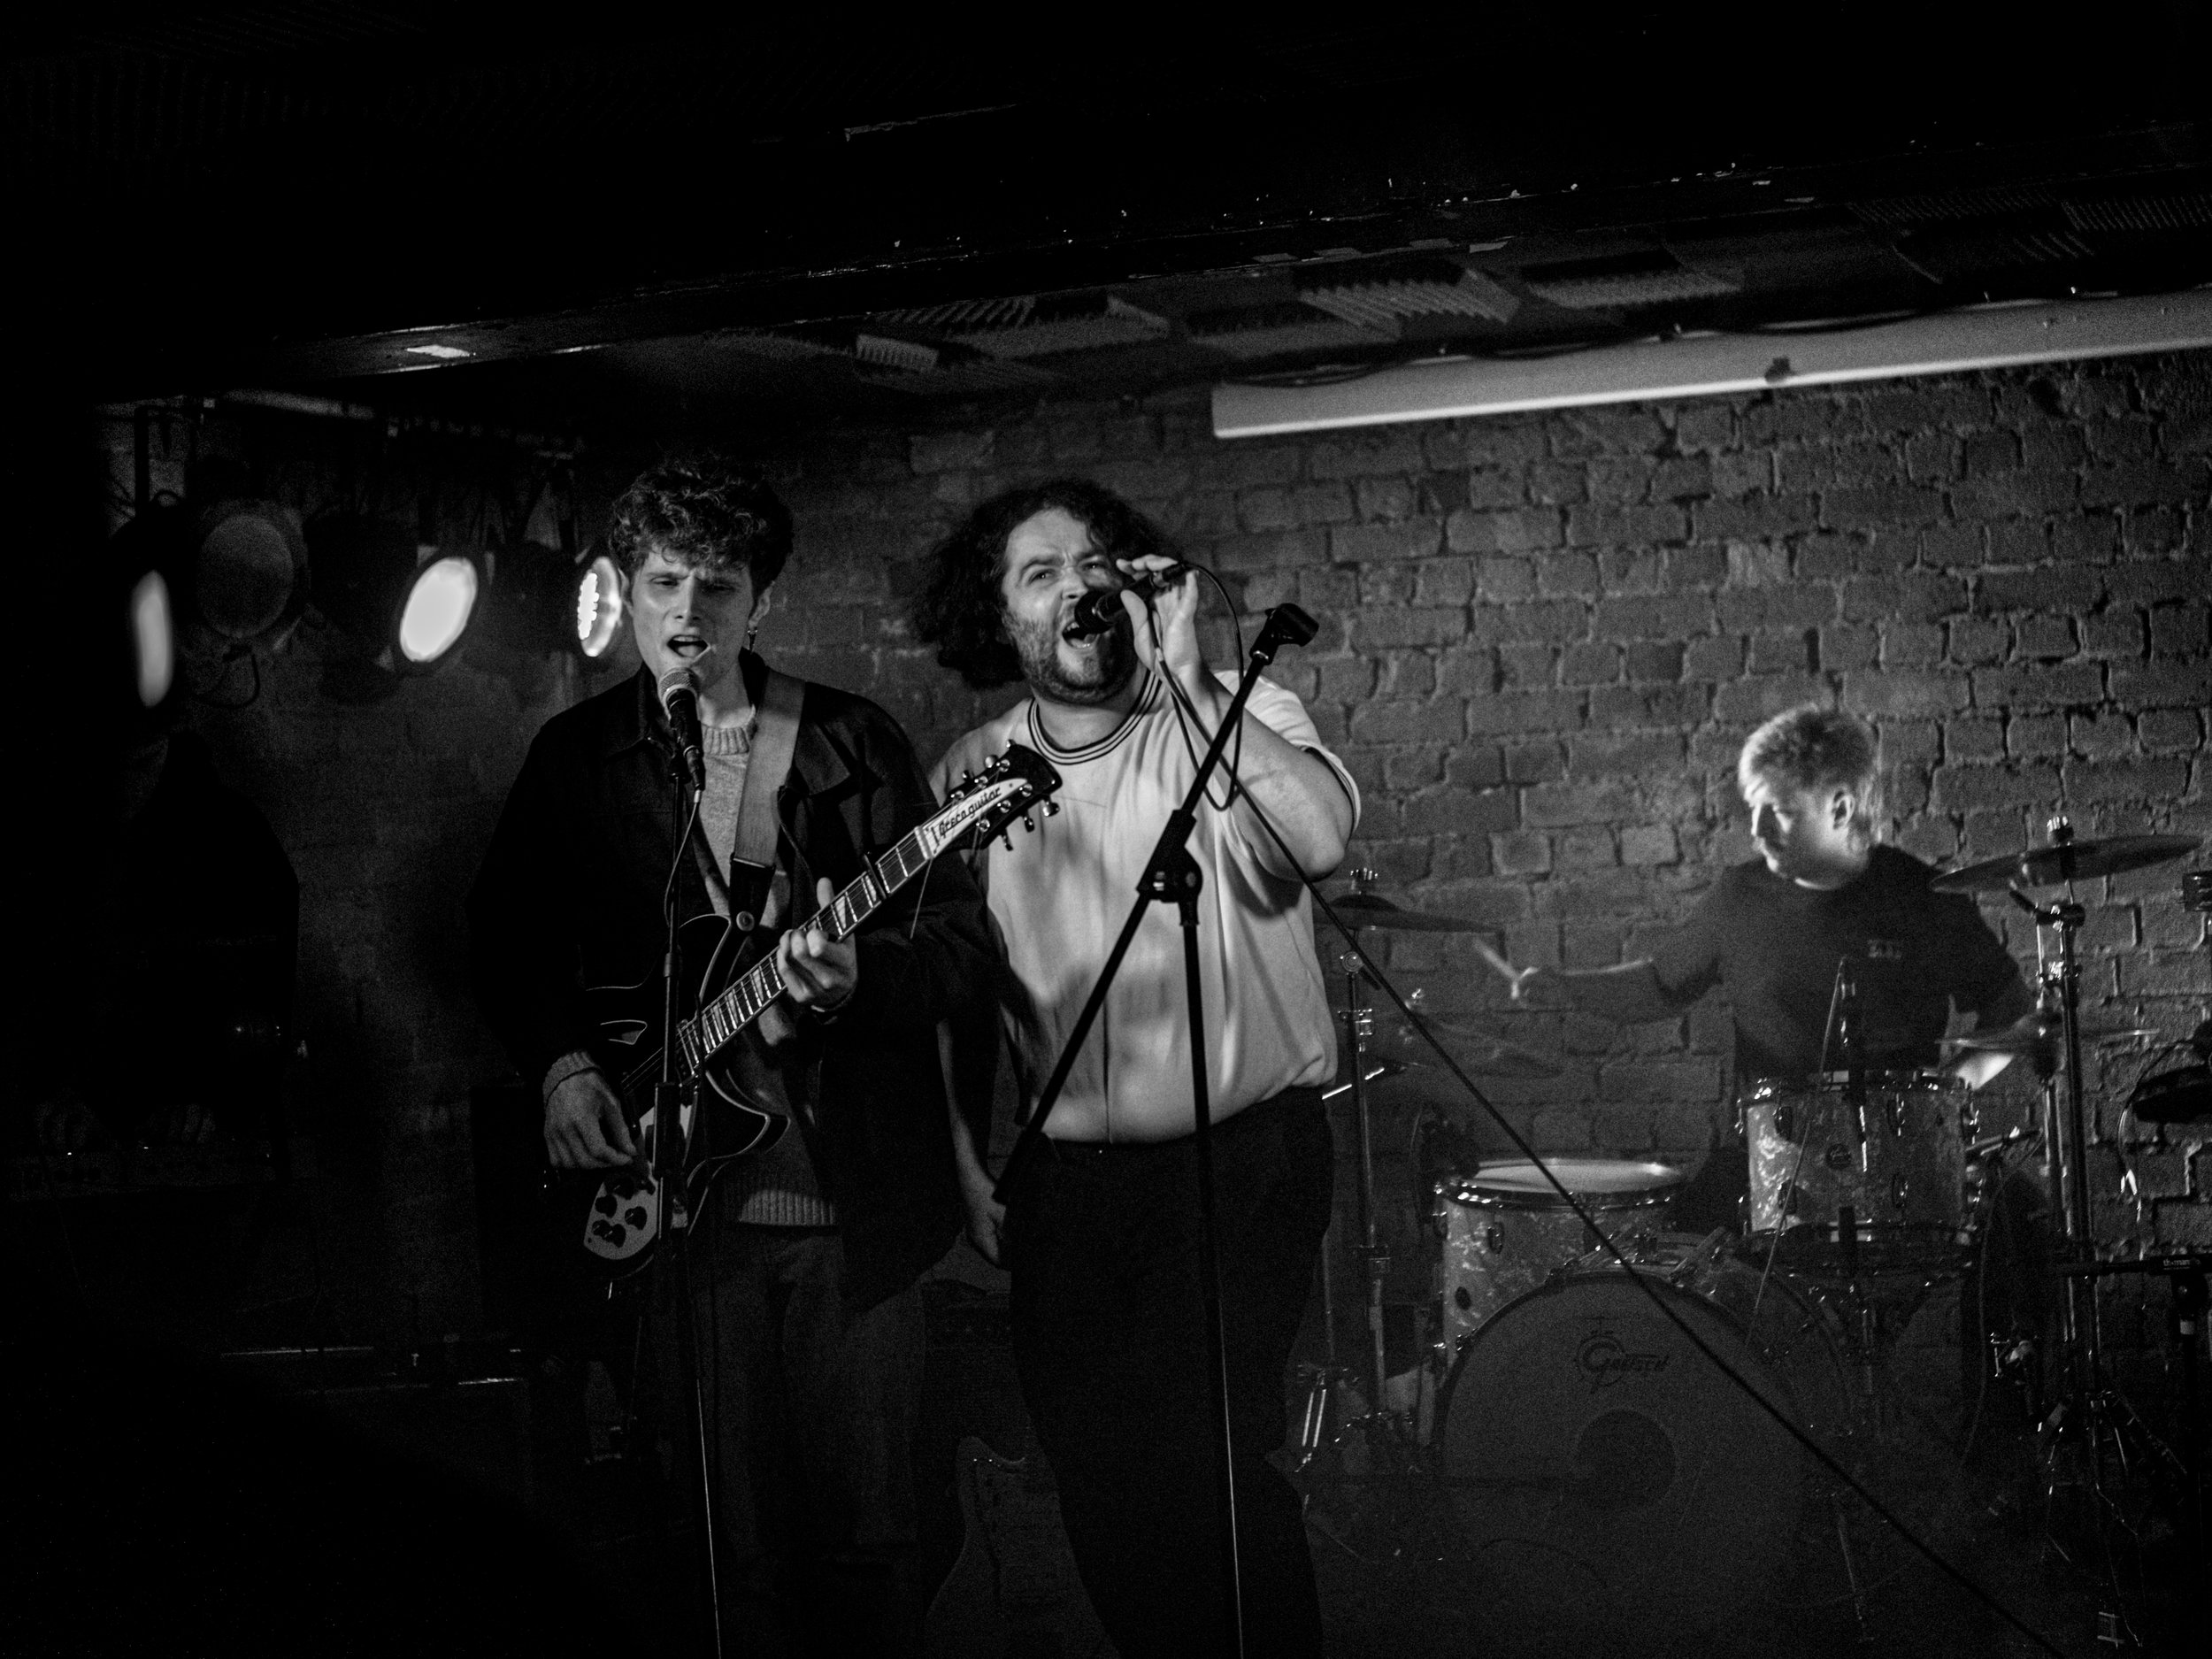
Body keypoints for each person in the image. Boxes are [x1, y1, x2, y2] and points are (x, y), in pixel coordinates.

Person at [467, 457, 993, 1656]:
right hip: (671, 1226)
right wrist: (560, 1066)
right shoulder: (576, 757)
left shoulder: (848, 743)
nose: (689, 615)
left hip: (847, 1218)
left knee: (867, 1541)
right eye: (664, 584)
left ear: (763, 601)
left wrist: (865, 978)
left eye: (718, 585)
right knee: (714, 1551)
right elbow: (501, 937)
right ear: (626, 589)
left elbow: (963, 948)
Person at [914, 479, 1357, 1659]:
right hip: (1074, 1179)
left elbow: (1318, 840)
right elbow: (960, 991)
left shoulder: (1242, 706)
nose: (1077, 586)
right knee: (1094, 1468)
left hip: (1244, 1157)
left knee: (1209, 1458)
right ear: (1000, 616)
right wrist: (966, 1159)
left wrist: (1198, 676)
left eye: (1094, 560)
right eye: (1039, 571)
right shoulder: (970, 769)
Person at [1497, 702, 2035, 1233]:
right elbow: (1659, 986)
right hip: (1762, 1158)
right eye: (1752, 808)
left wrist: (1952, 1092)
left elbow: (2011, 1006)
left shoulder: (1924, 898)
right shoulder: (1738, 898)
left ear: (1841, 809)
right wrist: (1565, 987)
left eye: (1776, 810)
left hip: (1898, 1162)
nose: (1755, 829)